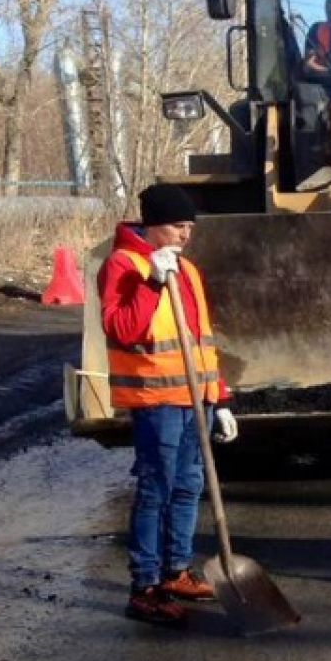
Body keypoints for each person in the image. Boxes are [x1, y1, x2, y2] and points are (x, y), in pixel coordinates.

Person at [98, 183, 239, 626]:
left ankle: (175, 571)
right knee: (156, 489)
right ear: (154, 225)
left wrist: (219, 397)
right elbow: (122, 328)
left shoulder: (187, 270)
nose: (186, 234)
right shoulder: (123, 265)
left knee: (187, 486)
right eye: (179, 226)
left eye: (190, 226)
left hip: (194, 398)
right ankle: (144, 587)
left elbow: (201, 341)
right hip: (155, 400)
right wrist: (152, 284)